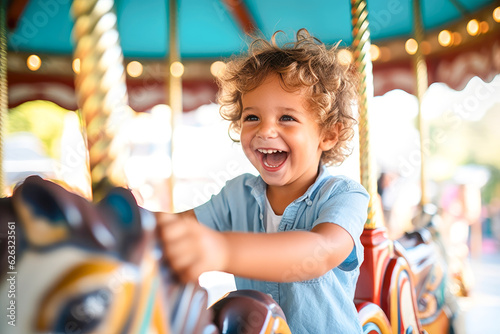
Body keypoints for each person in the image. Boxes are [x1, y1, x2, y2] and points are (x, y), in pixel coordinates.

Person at [156, 29, 369, 333]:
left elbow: (319, 252)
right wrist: (120, 218)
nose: (265, 131)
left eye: (287, 118)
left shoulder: (343, 195)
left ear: (328, 134)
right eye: (252, 117)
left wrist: (222, 251)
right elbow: (175, 229)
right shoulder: (236, 195)